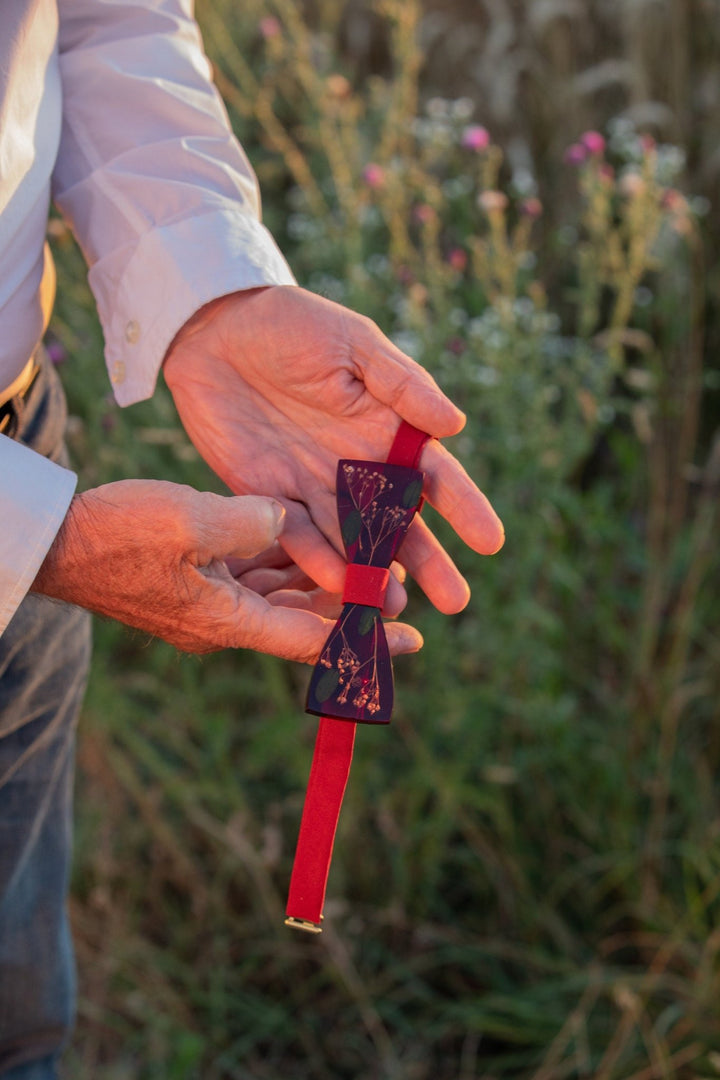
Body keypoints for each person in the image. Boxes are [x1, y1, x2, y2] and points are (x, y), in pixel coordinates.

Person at [0, 2, 504, 1076]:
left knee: (19, 1023)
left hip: (20, 433)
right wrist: (37, 539)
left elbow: (102, 17)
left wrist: (209, 292)